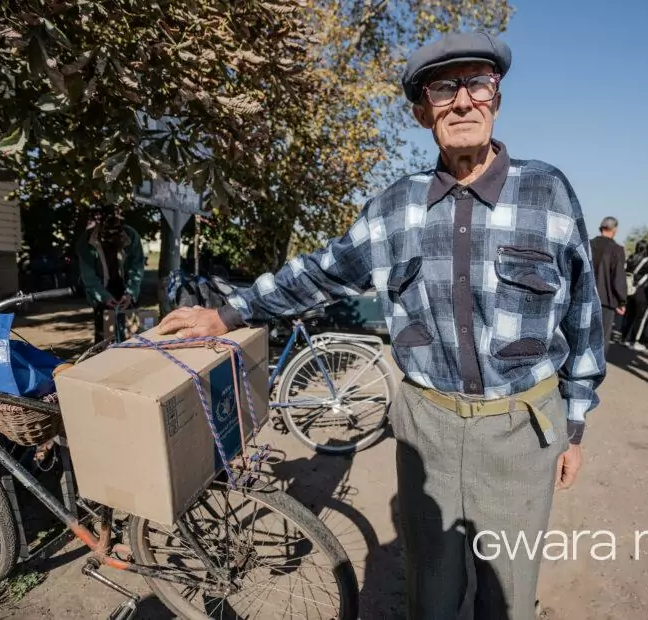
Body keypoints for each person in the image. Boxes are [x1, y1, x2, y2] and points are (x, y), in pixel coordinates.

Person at [155, 31, 606, 619]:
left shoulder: (547, 190)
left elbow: (584, 314)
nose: (463, 100)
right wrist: (227, 311)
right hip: (429, 431)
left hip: (523, 430)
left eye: (477, 83)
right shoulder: (395, 207)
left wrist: (573, 426)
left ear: (496, 97)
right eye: (443, 88)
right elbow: (321, 272)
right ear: (424, 112)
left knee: (508, 596)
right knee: (432, 593)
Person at [76, 208, 145, 342]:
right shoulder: (85, 243)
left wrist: (130, 293)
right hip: (102, 289)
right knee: (105, 338)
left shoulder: (131, 236)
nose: (113, 237)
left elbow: (136, 267)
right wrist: (104, 297)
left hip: (125, 287)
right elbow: (89, 277)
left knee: (132, 335)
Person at [590, 216, 627, 351]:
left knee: (581, 333)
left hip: (584, 296)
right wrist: (621, 301)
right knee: (601, 337)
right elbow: (618, 278)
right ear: (615, 230)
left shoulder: (588, 244)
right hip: (605, 300)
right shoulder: (616, 249)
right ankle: (595, 369)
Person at [621, 239, 648, 351]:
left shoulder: (630, 258)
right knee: (639, 317)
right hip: (642, 291)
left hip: (629, 290)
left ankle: (624, 338)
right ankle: (634, 341)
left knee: (628, 315)